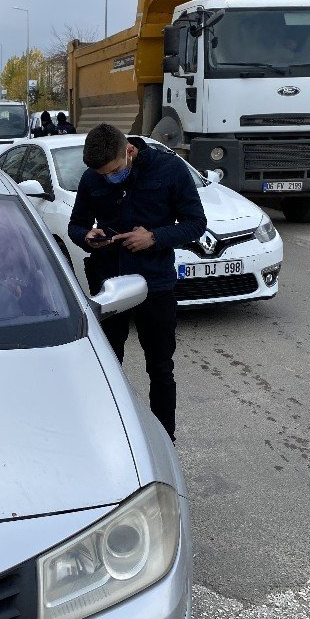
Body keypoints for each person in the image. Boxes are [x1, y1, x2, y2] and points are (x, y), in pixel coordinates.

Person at [68, 124, 206, 442]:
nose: (108, 178)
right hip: (109, 284)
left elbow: (196, 223)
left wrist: (154, 237)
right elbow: (77, 225)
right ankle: (109, 436)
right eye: (102, 175)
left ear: (129, 150)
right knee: (108, 365)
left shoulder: (169, 169)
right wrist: (88, 238)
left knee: (159, 367)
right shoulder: (93, 178)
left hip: (155, 284)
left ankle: (163, 439)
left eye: (114, 171)